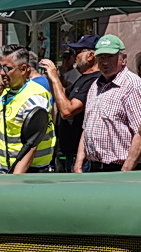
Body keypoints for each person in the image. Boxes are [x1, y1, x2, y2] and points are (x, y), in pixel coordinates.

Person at [74, 35, 141, 172]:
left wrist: (126, 170)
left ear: (123, 59)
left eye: (110, 57)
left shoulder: (133, 86)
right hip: (94, 168)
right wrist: (78, 163)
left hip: (121, 170)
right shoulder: (95, 86)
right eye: (101, 57)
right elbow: (87, 128)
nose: (105, 62)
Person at [0, 48, 56, 174]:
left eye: (7, 69)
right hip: (7, 169)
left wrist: (15, 178)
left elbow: (32, 145)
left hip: (30, 172)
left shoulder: (35, 97)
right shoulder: (6, 94)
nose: (1, 73)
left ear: (24, 69)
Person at [42, 34, 99, 171]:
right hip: (67, 152)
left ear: (90, 56)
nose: (75, 57)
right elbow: (63, 96)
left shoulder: (94, 80)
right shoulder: (83, 78)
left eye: (77, 52)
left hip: (78, 155)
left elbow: (67, 111)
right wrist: (51, 77)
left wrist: (55, 77)